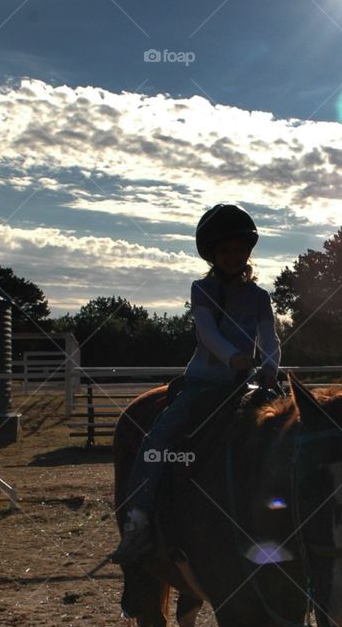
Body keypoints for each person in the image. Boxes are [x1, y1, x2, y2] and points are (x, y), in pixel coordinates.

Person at [111, 203, 281, 568]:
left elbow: (269, 336)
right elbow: (206, 332)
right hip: (204, 382)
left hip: (245, 386)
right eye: (225, 251)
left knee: (288, 431)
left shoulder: (260, 297)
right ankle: (138, 520)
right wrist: (233, 356)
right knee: (157, 440)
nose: (233, 257)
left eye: (239, 249)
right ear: (213, 255)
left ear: (248, 251)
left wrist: (269, 366)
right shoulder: (202, 289)